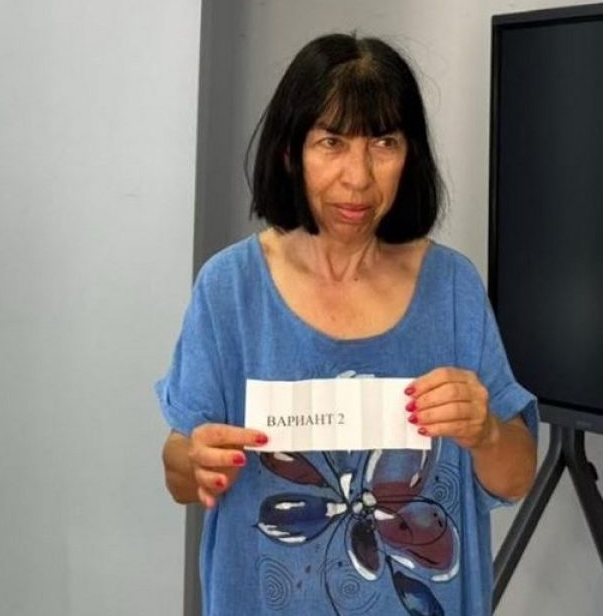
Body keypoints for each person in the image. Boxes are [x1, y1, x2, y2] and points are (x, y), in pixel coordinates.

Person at [156, 34, 537, 615]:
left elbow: (515, 478)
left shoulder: (452, 287)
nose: (358, 177)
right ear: (291, 152)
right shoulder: (230, 289)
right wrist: (194, 461)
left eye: (383, 143)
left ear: (409, 155)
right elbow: (180, 474)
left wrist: (485, 431)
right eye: (331, 142)